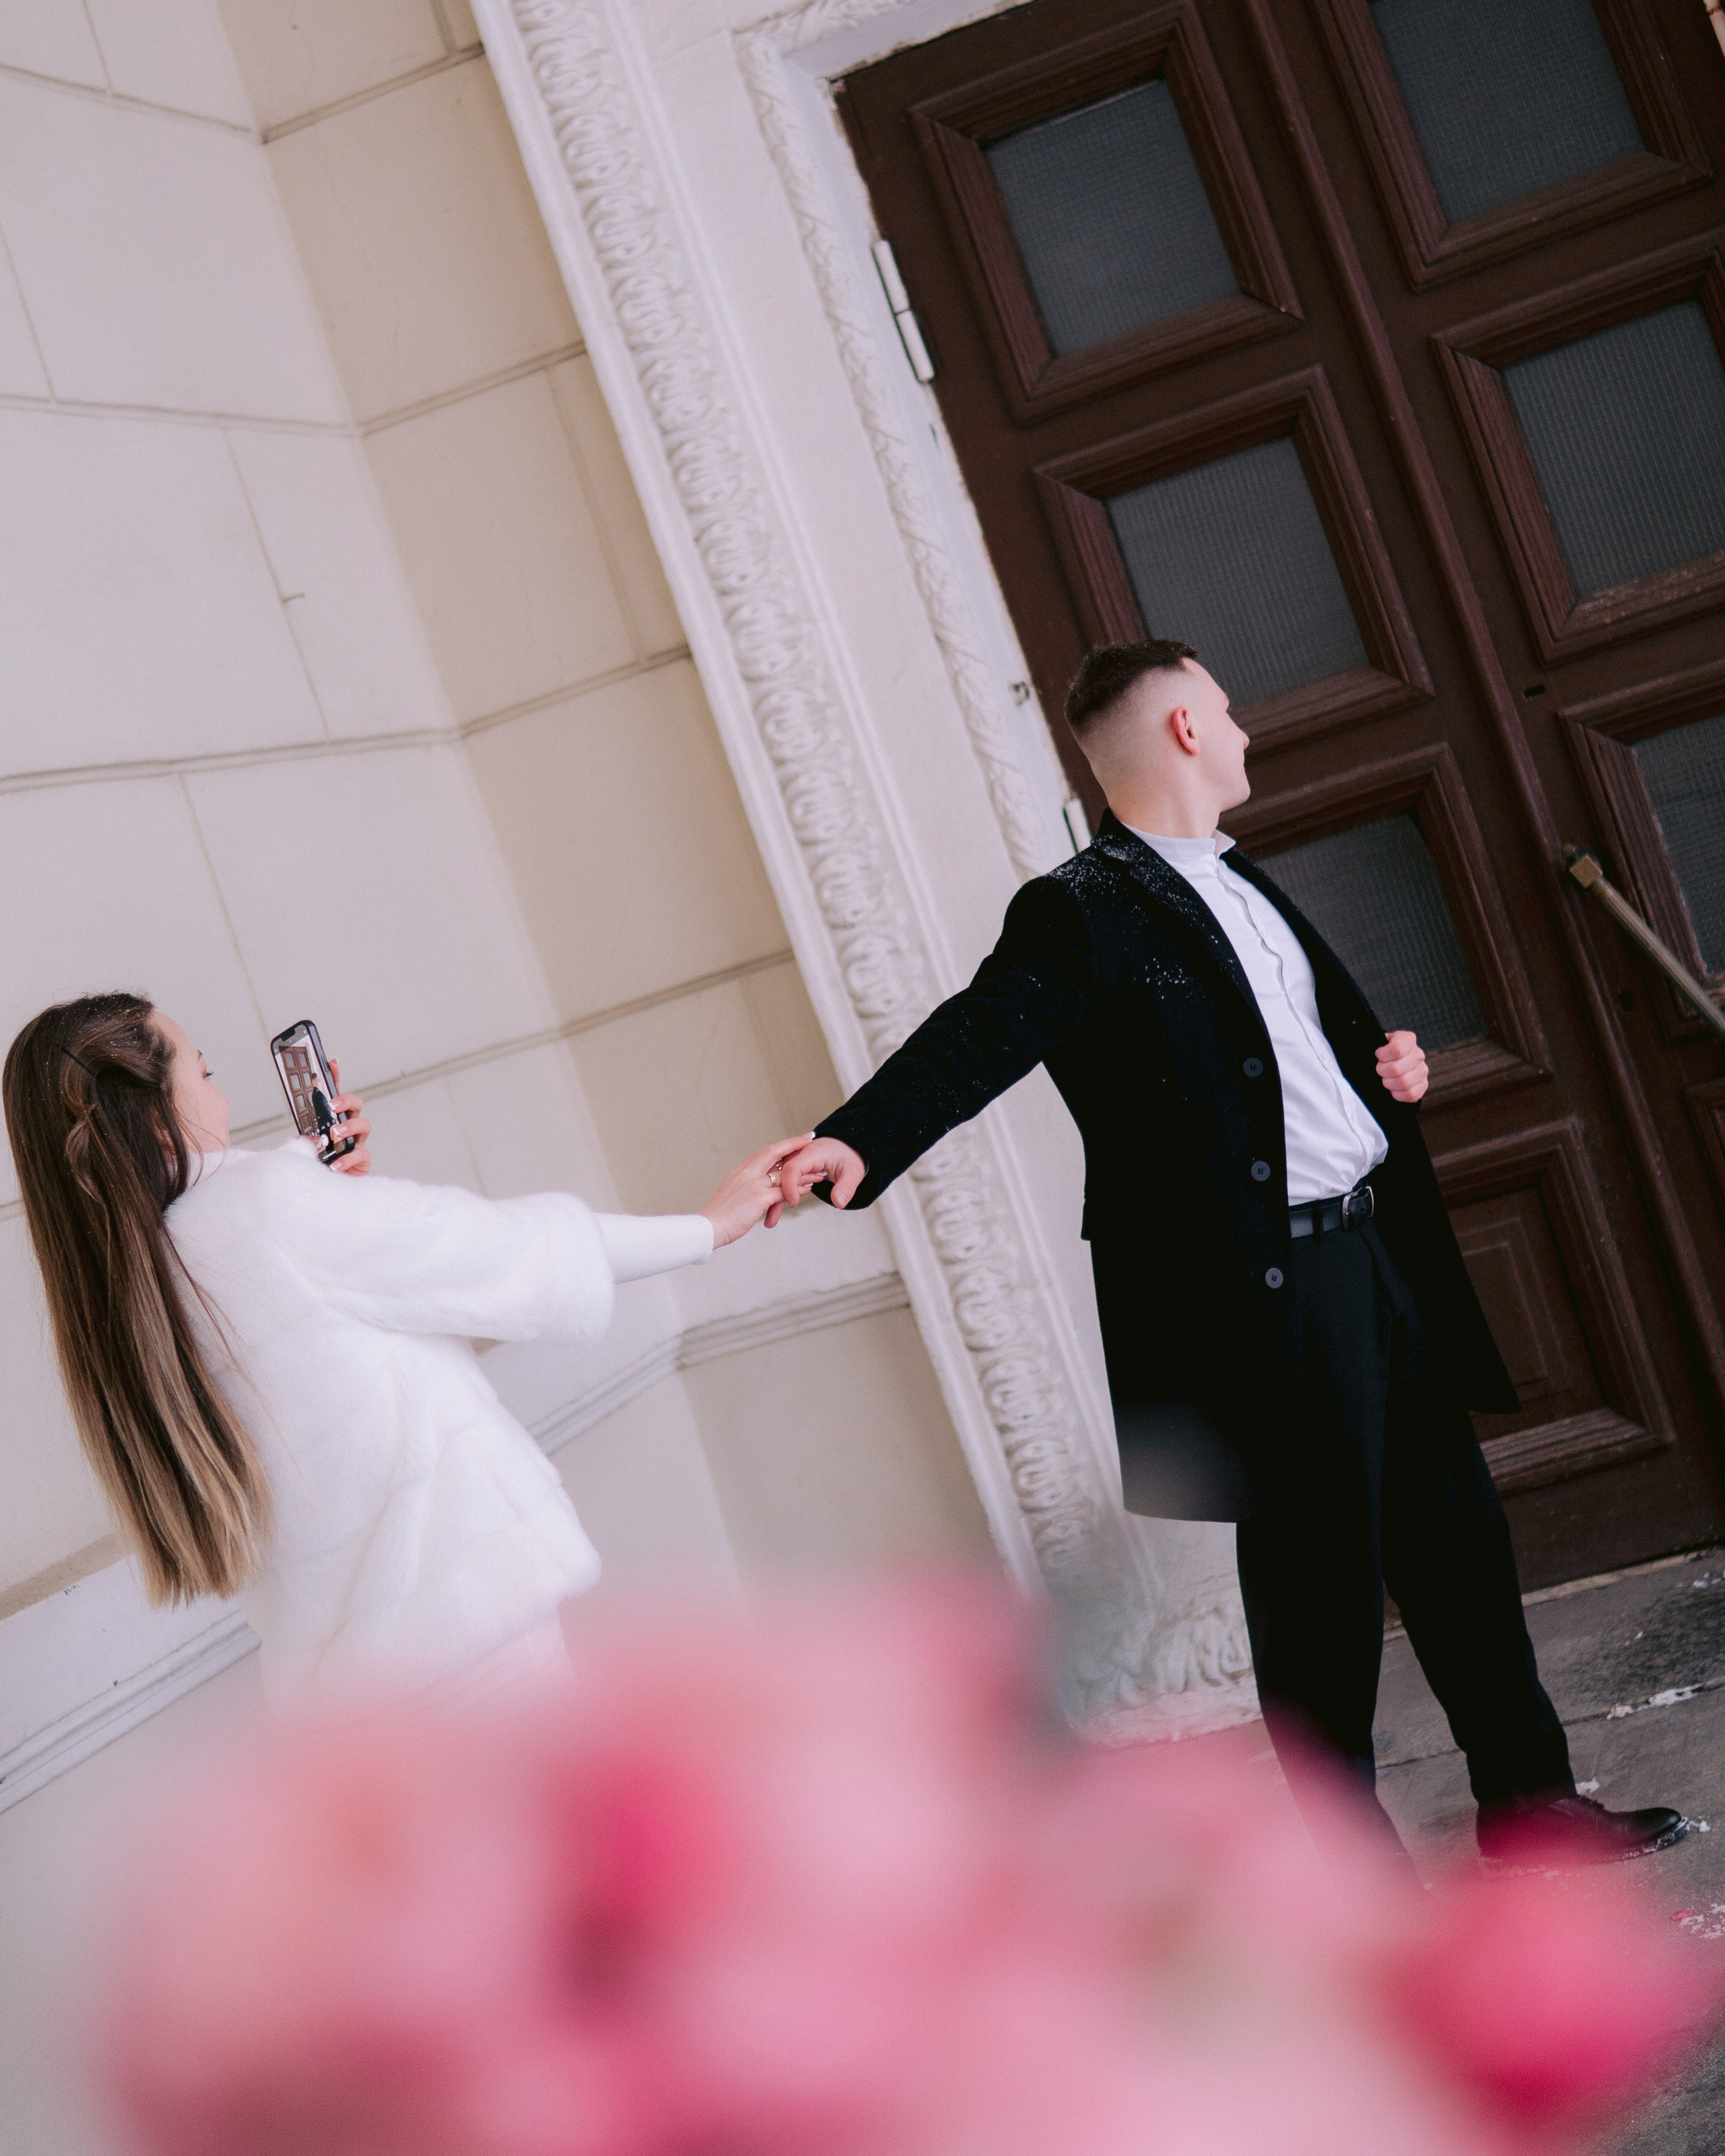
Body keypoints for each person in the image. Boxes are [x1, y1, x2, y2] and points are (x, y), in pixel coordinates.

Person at [776, 639, 1685, 1867]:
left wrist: (1379, 1081)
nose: (1247, 729)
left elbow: (1273, 1064)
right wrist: (856, 1141)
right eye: (1227, 707)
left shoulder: (1242, 876)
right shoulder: (1083, 908)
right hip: (1275, 1299)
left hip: (1375, 1260)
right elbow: (982, 1032)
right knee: (1318, 1608)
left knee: (1457, 1546)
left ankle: (1531, 1807)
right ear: (1189, 732)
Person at [3, 992, 805, 1705]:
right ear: (152, 1112)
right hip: (475, 1658)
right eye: (203, 1073)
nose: (219, 1094)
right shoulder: (267, 1211)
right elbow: (504, 1253)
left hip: (358, 1710)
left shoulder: (125, 1298)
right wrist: (706, 1226)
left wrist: (324, 1193)